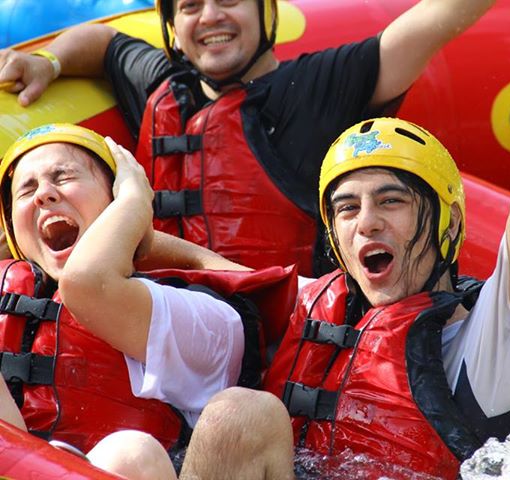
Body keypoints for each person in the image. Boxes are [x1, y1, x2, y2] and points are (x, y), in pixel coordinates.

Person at [263, 0, 510, 478]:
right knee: (234, 421)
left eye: (391, 201)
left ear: (449, 224)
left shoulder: (495, 345)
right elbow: (221, 280)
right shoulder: (315, 312)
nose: (366, 222)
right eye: (348, 208)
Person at [0, 0, 496, 277]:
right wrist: (50, 62)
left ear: (267, 14)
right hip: (159, 328)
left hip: (277, 339)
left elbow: (431, 23)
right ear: (172, 27)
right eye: (191, 7)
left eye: (230, 0)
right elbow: (107, 44)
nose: (210, 16)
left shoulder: (316, 87)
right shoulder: (161, 85)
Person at [0, 123, 295, 479]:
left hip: (143, 467)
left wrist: (136, 200)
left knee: (134, 454)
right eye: (26, 190)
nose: (43, 194)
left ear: (117, 201)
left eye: (63, 177)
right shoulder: (12, 294)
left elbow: (90, 283)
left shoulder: (200, 314)